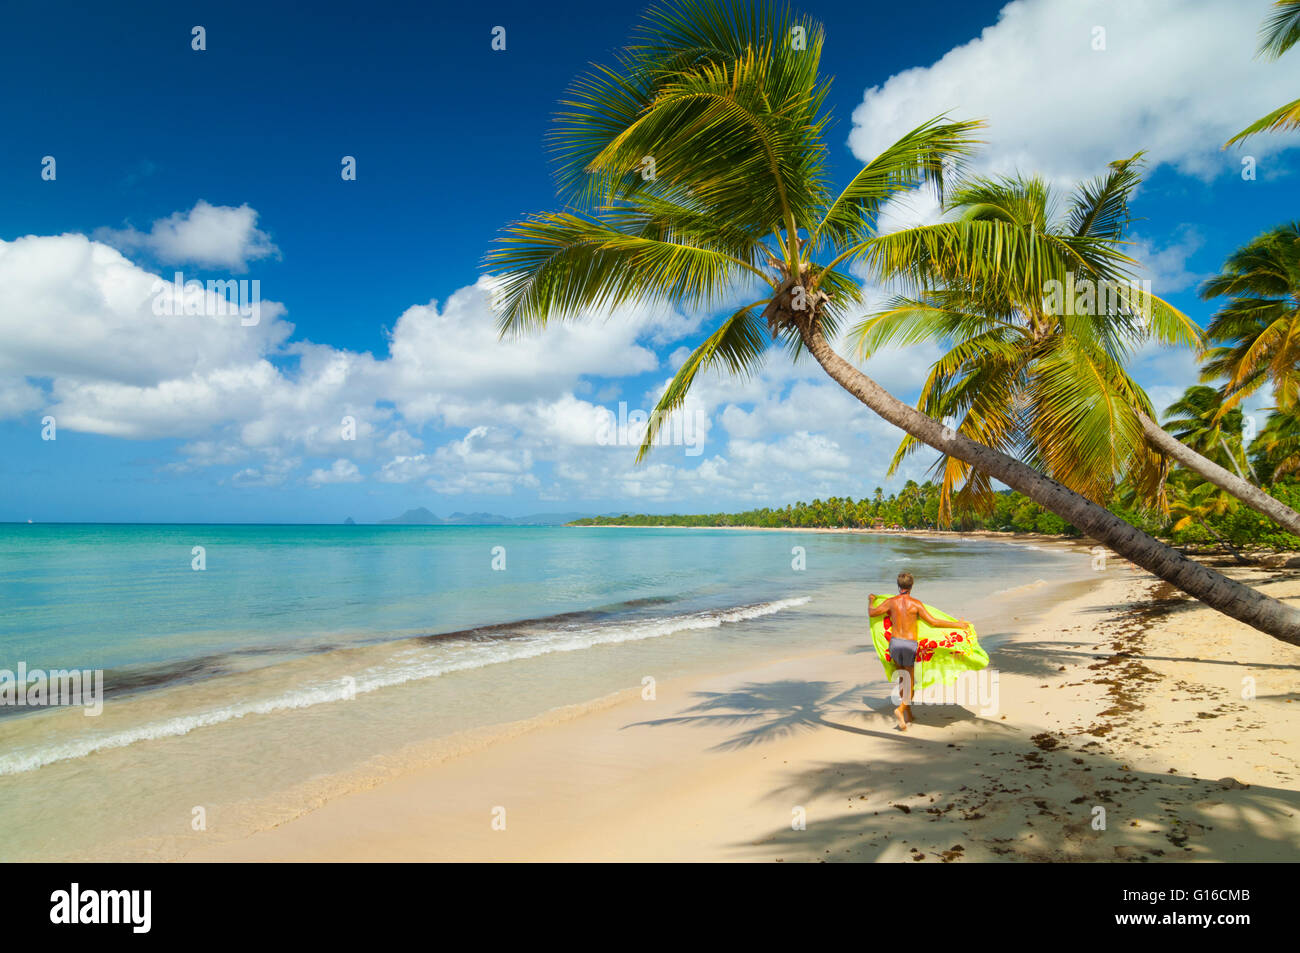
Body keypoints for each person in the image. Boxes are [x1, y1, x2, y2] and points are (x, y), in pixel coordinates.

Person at [869, 570, 972, 731]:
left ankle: (908, 715)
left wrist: (871, 600)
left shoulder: (891, 602)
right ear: (912, 586)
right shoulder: (915, 603)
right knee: (910, 683)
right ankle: (901, 709)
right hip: (909, 645)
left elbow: (872, 612)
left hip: (894, 643)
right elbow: (934, 622)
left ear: (898, 585)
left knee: (903, 680)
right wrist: (958, 625)